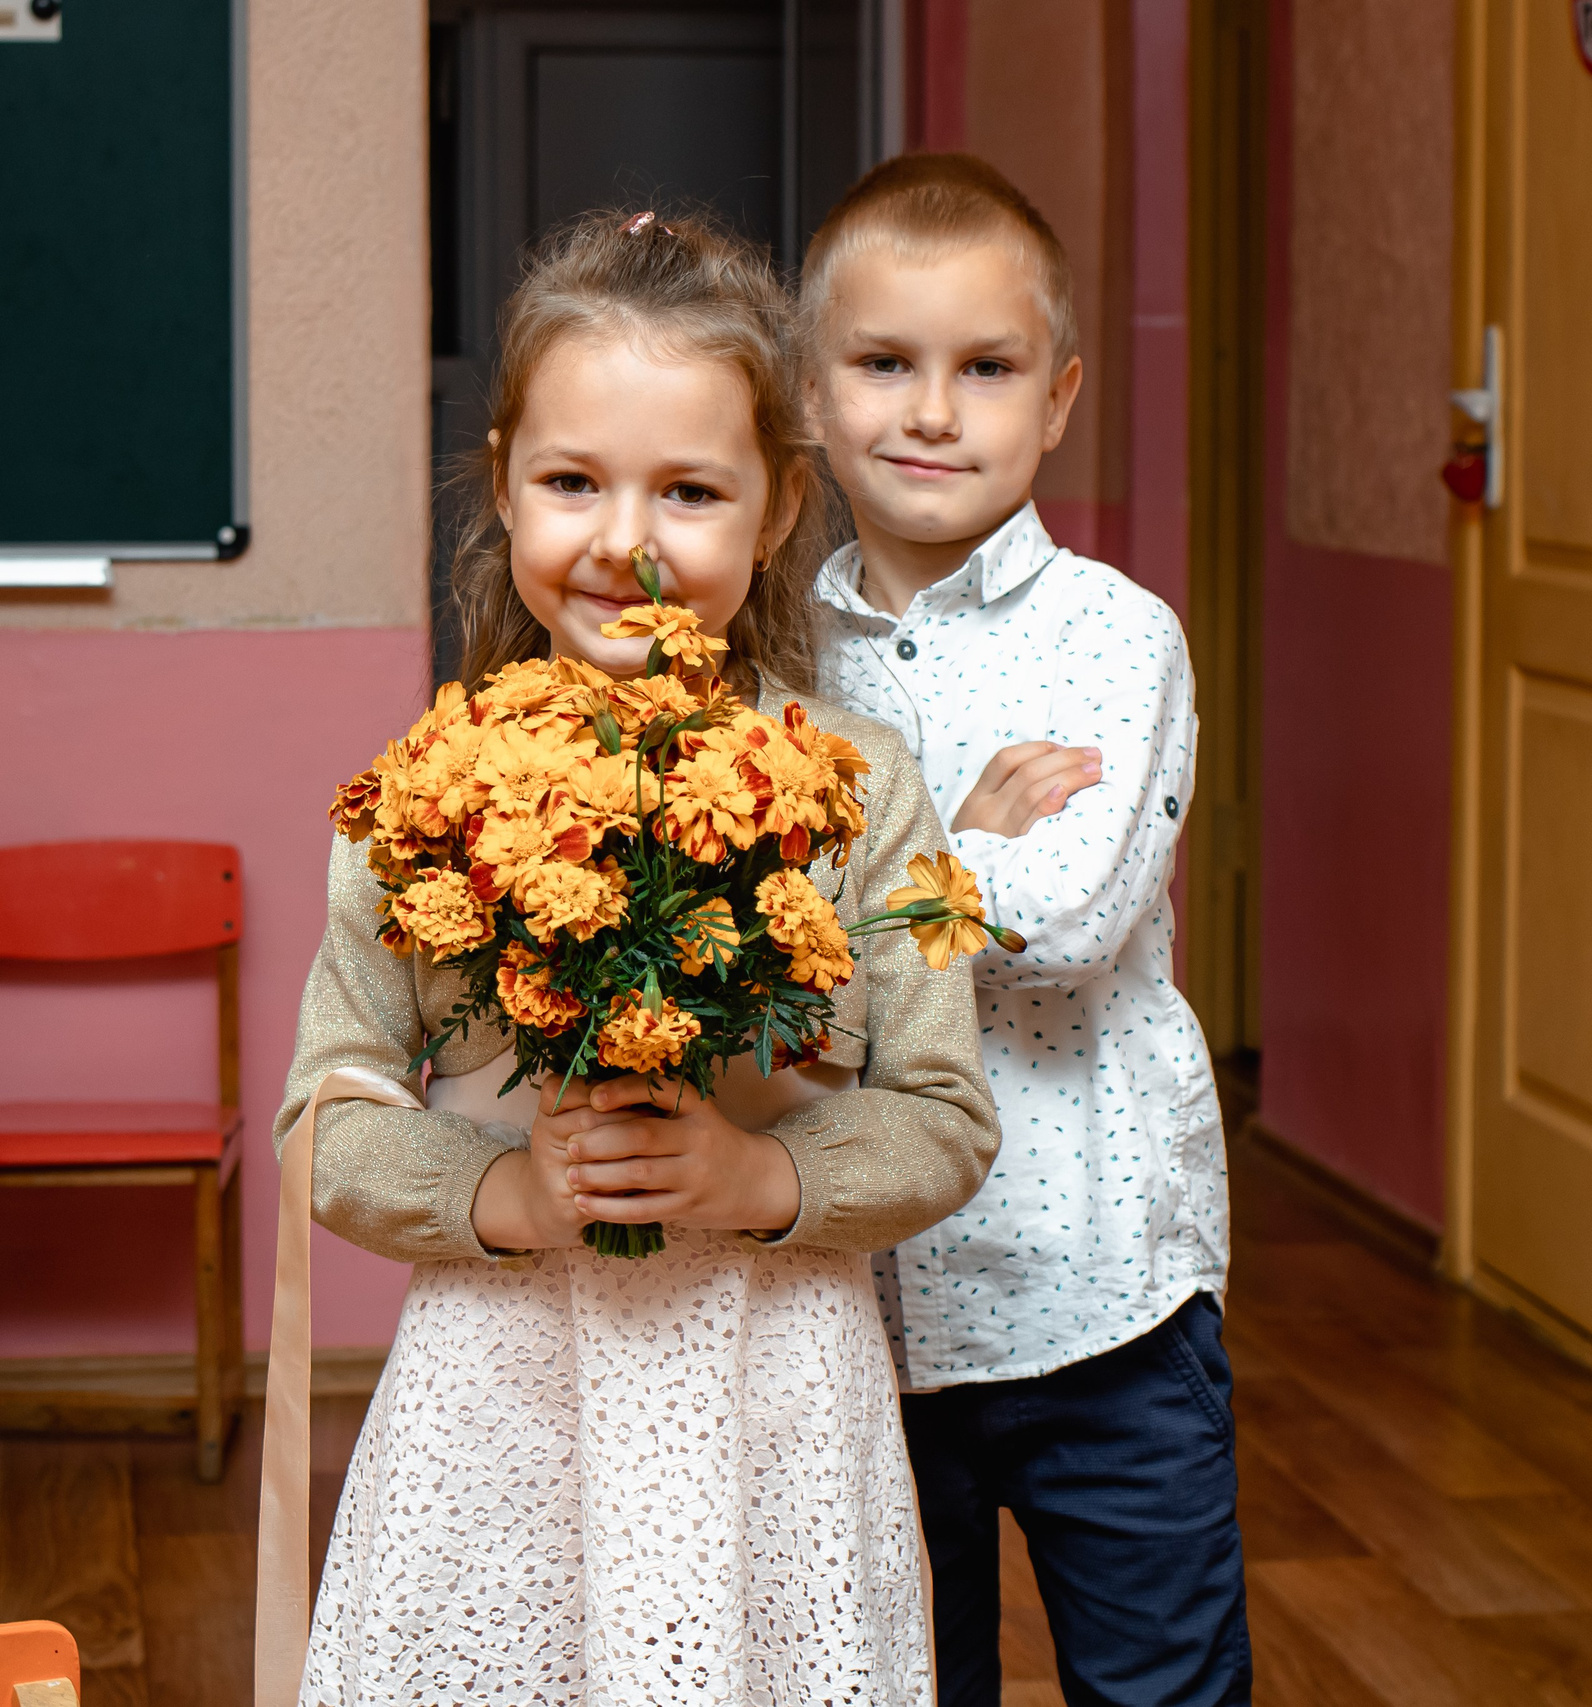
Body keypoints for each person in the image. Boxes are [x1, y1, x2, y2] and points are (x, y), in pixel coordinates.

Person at [268, 206, 1001, 1706]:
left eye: (687, 491)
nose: (623, 540)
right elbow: (324, 1119)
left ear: (778, 505)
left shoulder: (868, 781)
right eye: (571, 482)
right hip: (501, 1400)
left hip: (777, 1397)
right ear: (502, 485)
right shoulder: (418, 788)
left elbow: (943, 1114)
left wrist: (762, 1177)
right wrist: (505, 1192)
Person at [801, 151, 1248, 1705]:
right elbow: (750, 958)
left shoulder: (1116, 639)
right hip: (864, 1306)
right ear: (810, 394)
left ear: (1055, 401)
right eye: (883, 365)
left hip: (1099, 1298)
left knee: (1160, 1690)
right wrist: (954, 836)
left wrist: (862, 873)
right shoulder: (776, 664)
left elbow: (1062, 918)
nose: (933, 412)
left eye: (983, 370)